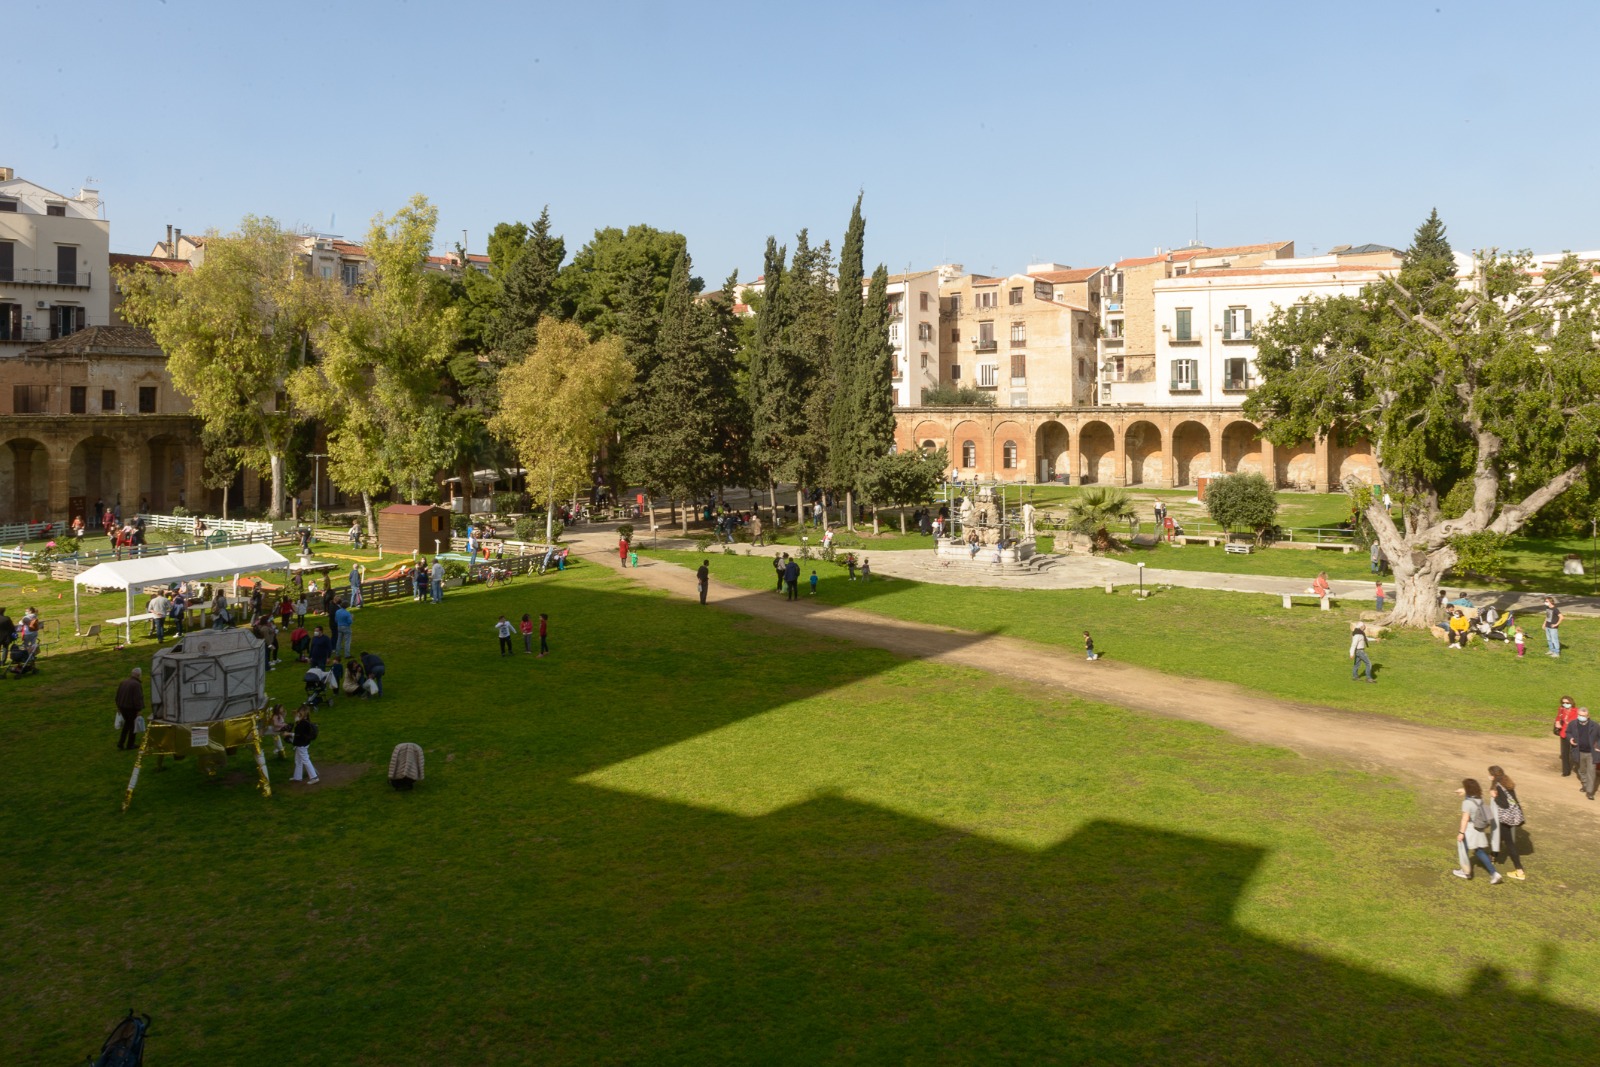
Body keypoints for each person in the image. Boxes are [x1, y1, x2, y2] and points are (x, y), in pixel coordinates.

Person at [1452, 779, 1502, 884]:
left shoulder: (1467, 803)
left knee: (1465, 851)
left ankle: (1466, 872)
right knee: (1478, 851)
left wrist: (1461, 833)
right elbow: (1472, 797)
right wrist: (1465, 791)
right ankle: (1494, 873)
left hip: (1469, 831)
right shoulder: (1480, 799)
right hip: (1479, 830)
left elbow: (1465, 819)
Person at [1487, 765, 1527, 880]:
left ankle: (1519, 870)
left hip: (1505, 818)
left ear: (1494, 776)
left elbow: (1504, 804)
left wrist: (1494, 797)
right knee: (1499, 836)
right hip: (1511, 817)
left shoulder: (1498, 786)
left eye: (1490, 774)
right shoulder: (1506, 782)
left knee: (1509, 844)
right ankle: (1493, 855)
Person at [1569, 706, 1600, 800]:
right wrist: (1570, 738)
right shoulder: (1573, 724)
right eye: (1579, 715)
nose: (1581, 717)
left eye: (1583, 715)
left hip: (1591, 753)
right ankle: (1585, 785)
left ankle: (1590, 792)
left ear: (1588, 716)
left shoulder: (1595, 725)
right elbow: (1568, 732)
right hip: (1578, 751)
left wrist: (1598, 746)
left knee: (1591, 772)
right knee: (1581, 770)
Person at [289, 706, 319, 784]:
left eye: (299, 713)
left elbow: (298, 734)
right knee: (298, 760)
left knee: (305, 760)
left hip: (301, 744)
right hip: (303, 744)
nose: (298, 714)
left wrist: (288, 733)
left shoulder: (302, 723)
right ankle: (297, 777)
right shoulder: (305, 722)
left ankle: (314, 777)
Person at [115, 668, 144, 750]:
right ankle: (130, 745)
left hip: (122, 707)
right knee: (133, 726)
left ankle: (121, 743)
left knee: (127, 725)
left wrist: (118, 707)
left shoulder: (123, 682)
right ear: (138, 675)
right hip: (131, 709)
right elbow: (137, 698)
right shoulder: (136, 685)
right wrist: (139, 710)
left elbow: (118, 696)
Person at [1554, 696, 1579, 778]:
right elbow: (1558, 717)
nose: (1565, 704)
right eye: (1563, 703)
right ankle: (1566, 771)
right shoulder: (1561, 709)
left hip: (1573, 734)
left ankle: (1580, 769)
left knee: (1575, 753)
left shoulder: (1576, 711)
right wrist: (1557, 722)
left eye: (1567, 703)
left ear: (1571, 703)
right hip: (1563, 733)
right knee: (1564, 753)